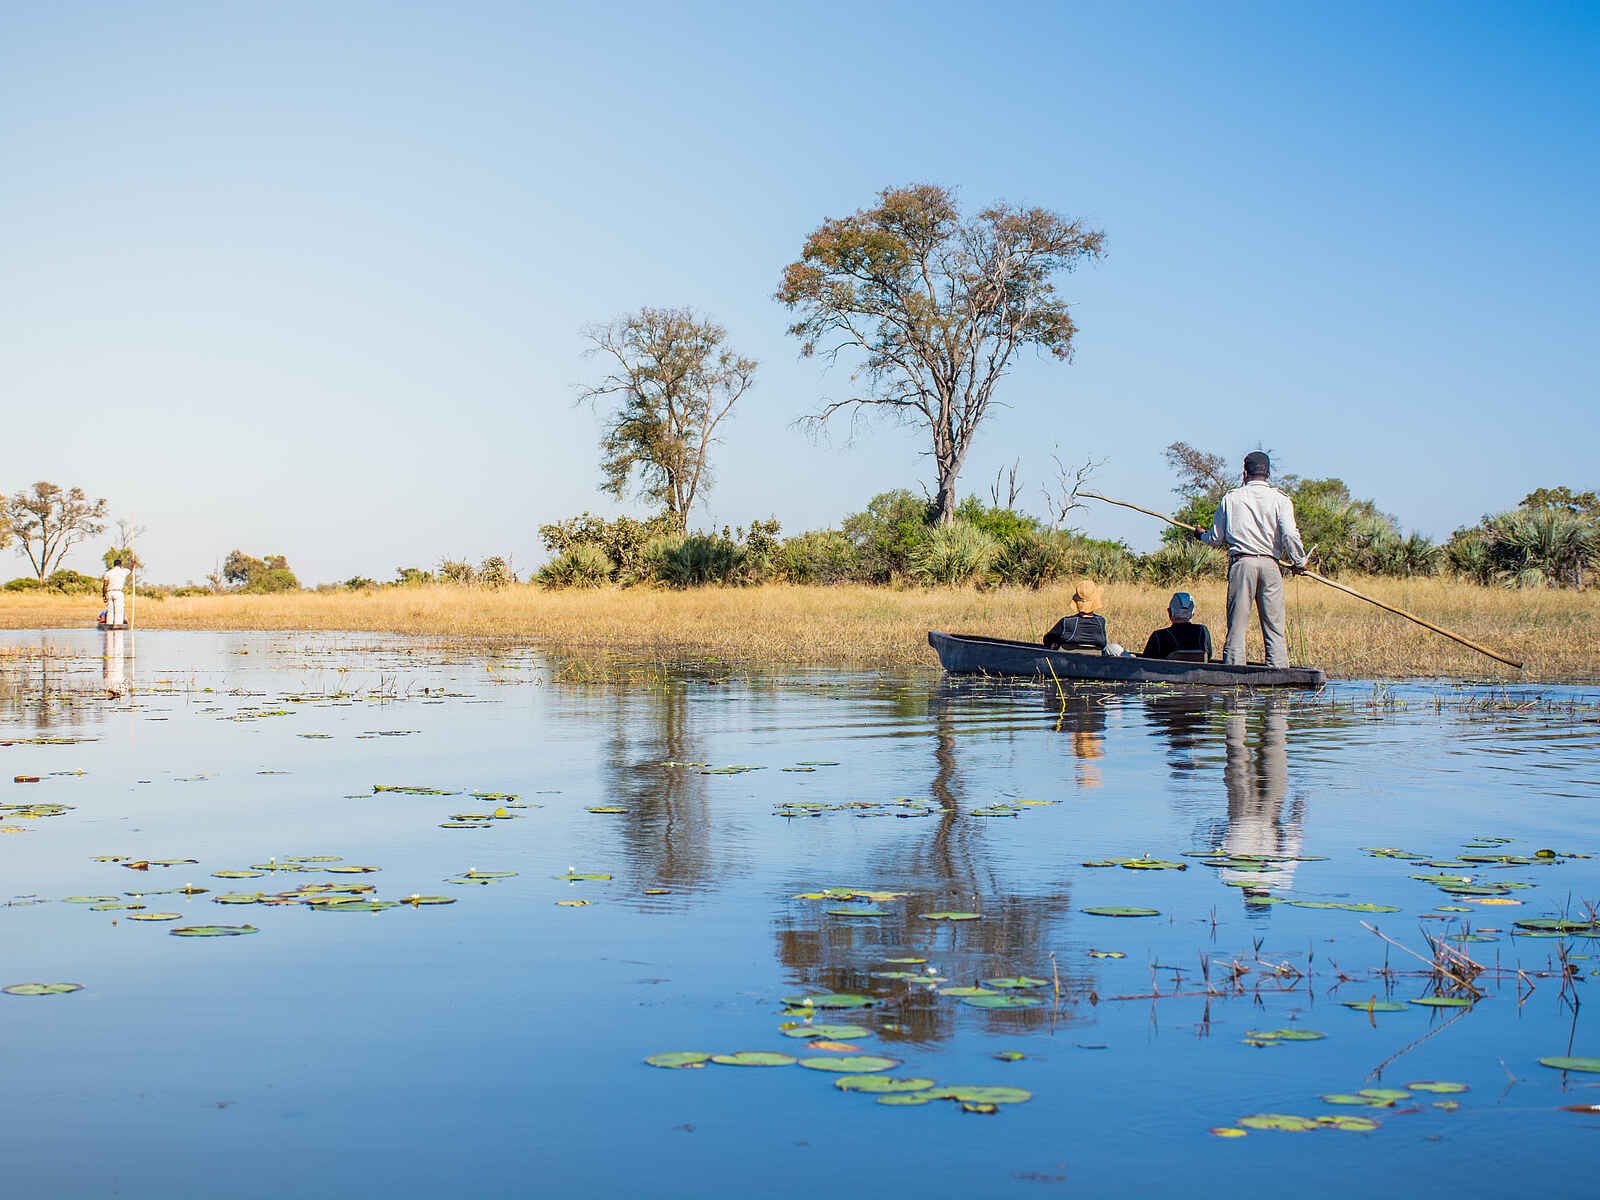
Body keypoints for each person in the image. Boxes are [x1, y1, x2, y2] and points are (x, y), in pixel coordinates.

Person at [1192, 451, 1307, 666]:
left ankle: (1234, 677)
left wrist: (1200, 535)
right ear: (1269, 472)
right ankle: (1279, 673)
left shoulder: (1231, 498)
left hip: (1242, 564)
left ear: (1244, 472)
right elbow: (1290, 534)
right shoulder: (1280, 499)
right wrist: (1299, 562)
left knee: (1236, 627)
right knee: (1275, 628)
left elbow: (1216, 539)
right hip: (1270, 564)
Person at [1142, 591, 1214, 660]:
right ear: (1193, 614)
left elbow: (1145, 663)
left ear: (1169, 612)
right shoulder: (1202, 631)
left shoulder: (1158, 636)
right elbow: (1209, 656)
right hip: (1199, 672)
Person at [1042, 579, 1108, 652]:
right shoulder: (1101, 621)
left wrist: (1056, 643)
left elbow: (1047, 639)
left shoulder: (1067, 622)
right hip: (1094, 660)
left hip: (1065, 661)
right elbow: (1104, 643)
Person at [102, 556, 131, 627]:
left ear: (114, 565)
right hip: (118, 592)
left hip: (109, 592)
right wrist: (133, 562)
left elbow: (105, 585)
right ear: (120, 565)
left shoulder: (108, 573)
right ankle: (117, 627)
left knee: (110, 611)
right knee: (118, 611)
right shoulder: (123, 571)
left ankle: (109, 626)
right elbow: (131, 569)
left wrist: (104, 594)